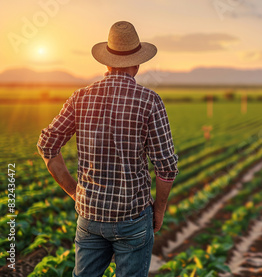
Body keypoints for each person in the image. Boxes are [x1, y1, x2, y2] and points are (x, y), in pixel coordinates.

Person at [36, 21, 179, 277]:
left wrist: (74, 191)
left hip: (90, 216)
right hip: (133, 217)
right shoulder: (150, 101)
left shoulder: (80, 97)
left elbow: (47, 145)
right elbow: (166, 167)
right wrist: (158, 209)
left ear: (107, 61)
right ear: (137, 63)